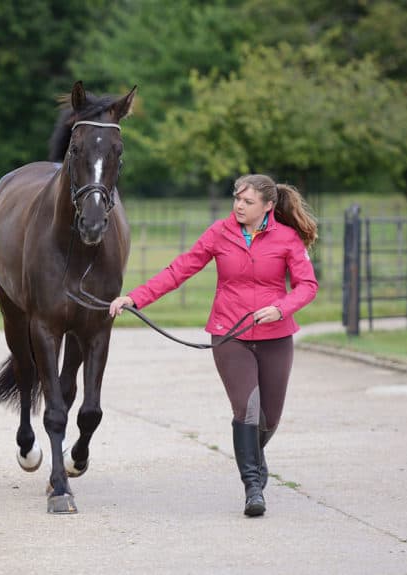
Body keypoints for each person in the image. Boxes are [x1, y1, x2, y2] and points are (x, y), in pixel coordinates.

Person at [109, 174, 318, 517]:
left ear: (268, 206)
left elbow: (307, 286)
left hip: (275, 336)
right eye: (237, 198)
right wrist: (136, 297)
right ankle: (253, 487)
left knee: (270, 418)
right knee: (247, 411)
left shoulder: (287, 239)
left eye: (248, 202)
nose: (239, 205)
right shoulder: (220, 233)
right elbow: (180, 269)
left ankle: (254, 455)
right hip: (229, 334)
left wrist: (280, 308)